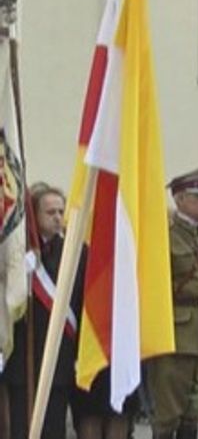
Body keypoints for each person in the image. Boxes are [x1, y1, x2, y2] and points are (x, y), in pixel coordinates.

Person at [147, 167, 198, 439]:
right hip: (175, 334)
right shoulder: (163, 234)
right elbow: (152, 287)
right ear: (179, 198)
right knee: (168, 413)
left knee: (196, 410)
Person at [2, 184, 82, 439]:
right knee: (21, 427)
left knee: (53, 428)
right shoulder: (16, 253)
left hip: (58, 358)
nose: (58, 217)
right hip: (24, 358)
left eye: (61, 211)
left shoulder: (76, 251)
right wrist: (17, 274)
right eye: (50, 212)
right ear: (34, 215)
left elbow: (79, 301)